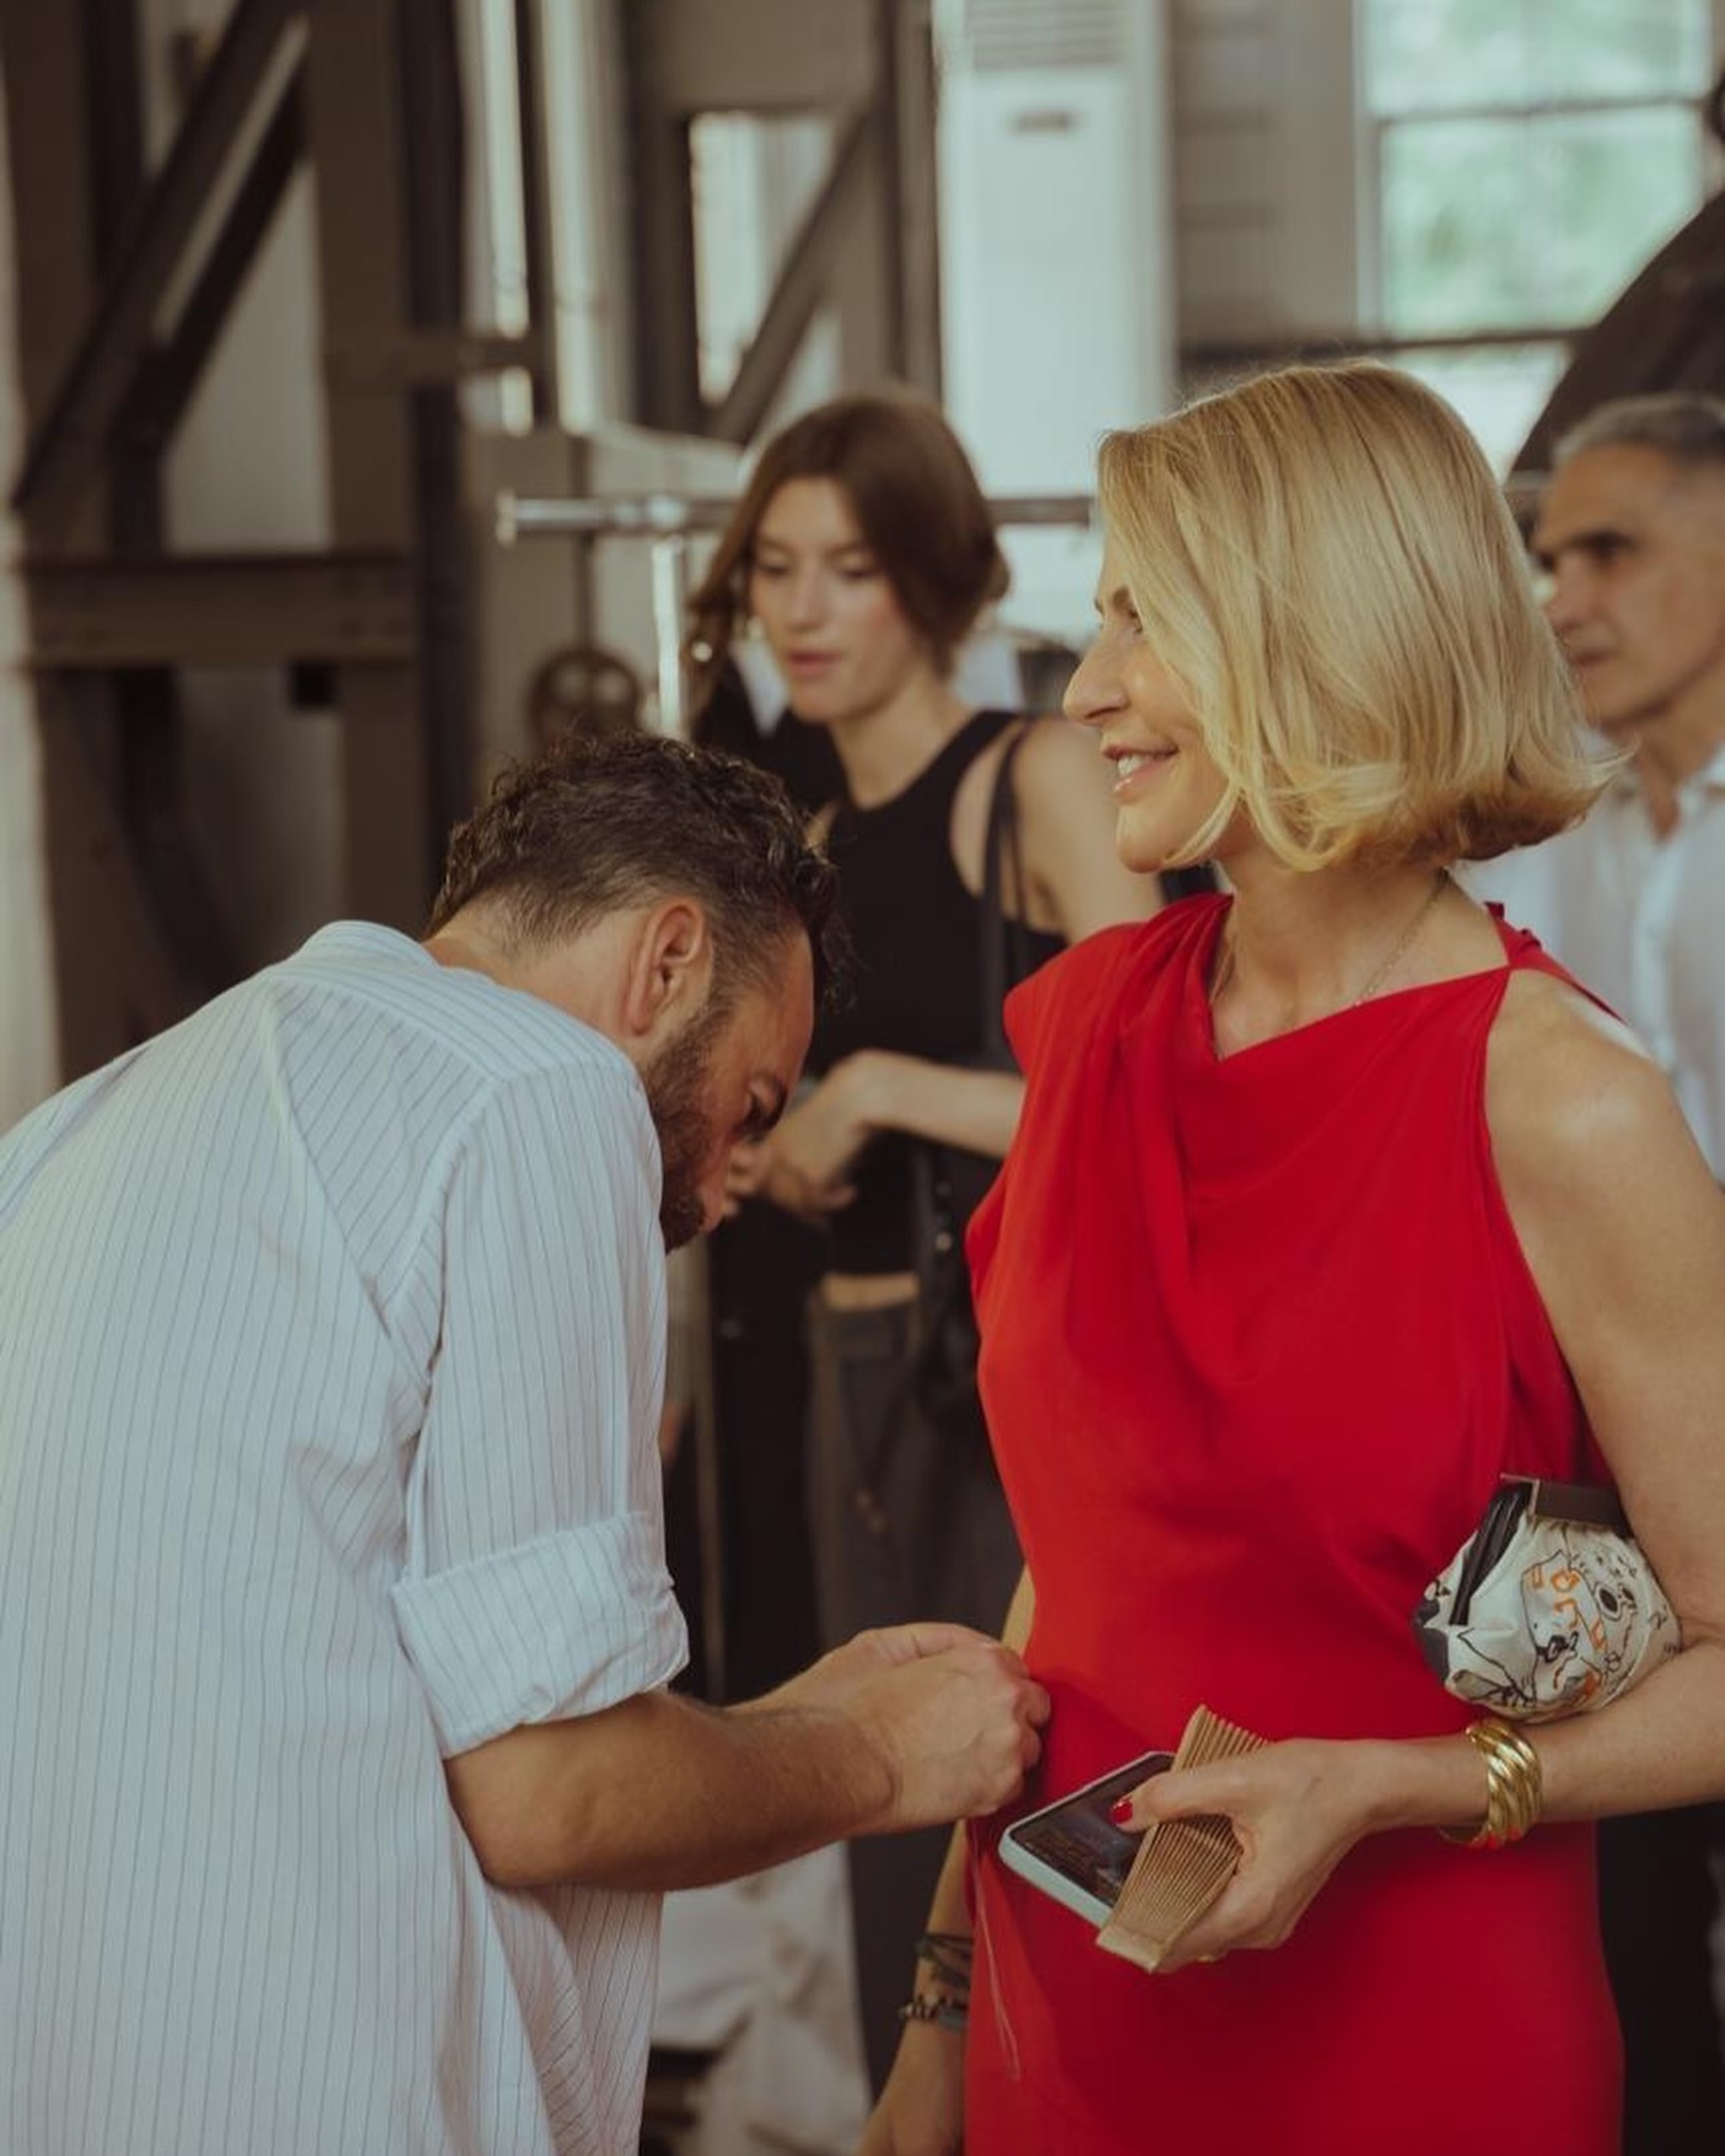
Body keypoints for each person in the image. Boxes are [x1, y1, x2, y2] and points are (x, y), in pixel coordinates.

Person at [860, 362, 1725, 2156]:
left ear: (1319, 636)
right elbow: (1065, 1585)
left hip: (1412, 2037)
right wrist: (939, 2016)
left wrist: (1401, 1786)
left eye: (1145, 622)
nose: (1086, 688)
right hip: (1064, 2016)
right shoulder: (1092, 1025)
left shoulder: (1561, 1100)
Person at [0, 731, 1051, 2156]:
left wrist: (780, 1729)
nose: (721, 1191)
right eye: (746, 1109)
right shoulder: (543, 1090)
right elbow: (547, 1796)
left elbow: (380, 1702)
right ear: (666, 961)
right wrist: (878, 1759)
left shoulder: (77, 1128)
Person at [686, 388, 1161, 2087]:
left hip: (1007, 1371)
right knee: (887, 1788)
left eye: (852, 569)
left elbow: (1149, 1089)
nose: (802, 611)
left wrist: (882, 1091)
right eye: (774, 570)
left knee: (1034, 1788)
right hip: (850, 1357)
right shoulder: (803, 839)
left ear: (936, 582)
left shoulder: (1028, 777)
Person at [1468, 390, 1725, 2150]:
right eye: (1549, 558)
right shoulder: (1557, 825)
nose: (1563, 597)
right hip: (1619, 1433)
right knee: (1627, 1896)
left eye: (1611, 553)